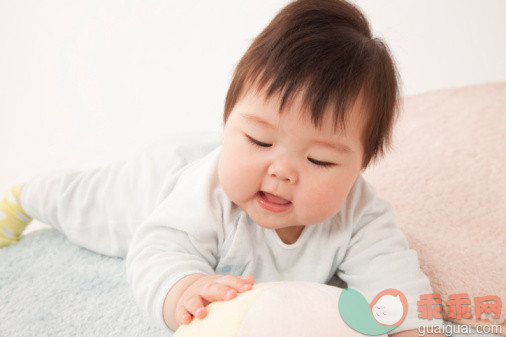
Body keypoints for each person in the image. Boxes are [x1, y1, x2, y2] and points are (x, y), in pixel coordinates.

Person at [0, 0, 443, 335]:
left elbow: (397, 291)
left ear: (361, 164)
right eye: (259, 140)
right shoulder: (206, 192)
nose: (284, 171)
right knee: (86, 207)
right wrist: (184, 287)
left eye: (319, 160)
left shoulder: (361, 215)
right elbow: (157, 250)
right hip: (155, 183)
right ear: (229, 121)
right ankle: (27, 195)